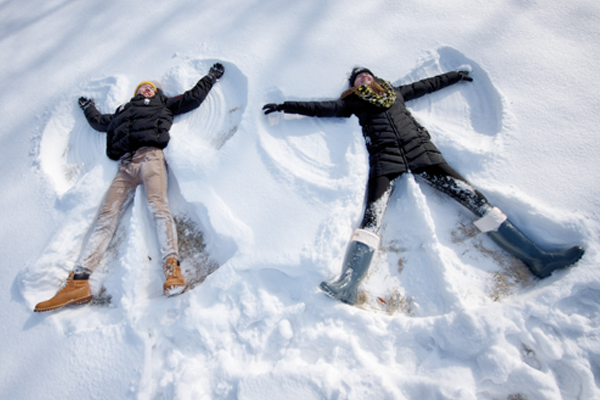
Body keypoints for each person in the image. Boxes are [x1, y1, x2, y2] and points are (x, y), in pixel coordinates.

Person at [263, 67, 585, 306]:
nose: (362, 79)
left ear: (375, 79)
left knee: (474, 199)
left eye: (366, 75)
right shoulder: (354, 105)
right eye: (357, 79)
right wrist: (285, 106)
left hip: (423, 154)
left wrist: (456, 76)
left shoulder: (396, 93)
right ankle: (348, 284)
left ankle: (538, 257)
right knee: (371, 219)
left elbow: (427, 85)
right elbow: (320, 108)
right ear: (353, 87)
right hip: (385, 162)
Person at [34, 63, 225, 312]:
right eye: (142, 87)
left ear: (155, 93)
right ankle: (78, 283)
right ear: (135, 93)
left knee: (158, 208)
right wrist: (87, 108)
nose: (146, 89)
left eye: (150, 88)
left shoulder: (164, 104)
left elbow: (192, 98)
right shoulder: (121, 112)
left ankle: (173, 271)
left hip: (151, 158)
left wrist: (210, 78)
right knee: (106, 216)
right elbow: (100, 122)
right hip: (125, 166)